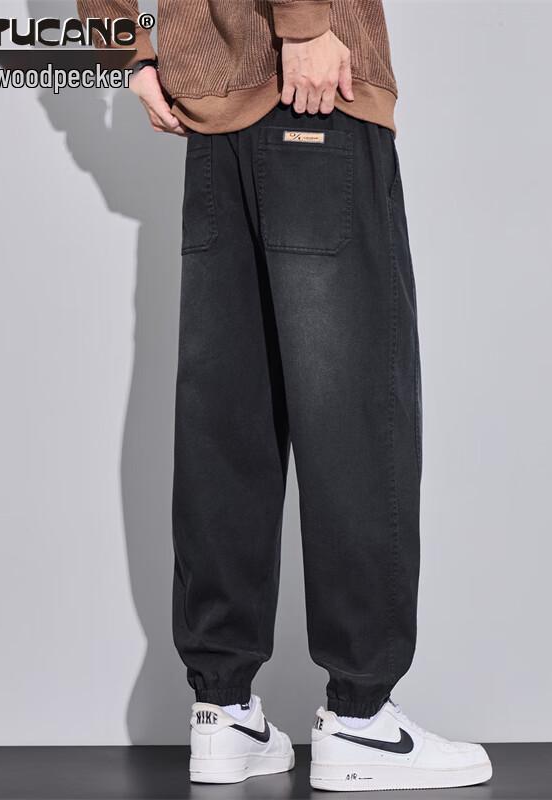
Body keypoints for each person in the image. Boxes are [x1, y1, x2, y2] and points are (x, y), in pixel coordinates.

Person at [78, 0, 492, 791]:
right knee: (354, 414)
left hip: (211, 110)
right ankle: (362, 720)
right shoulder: (305, 42)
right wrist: (304, 26)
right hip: (308, 86)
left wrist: (127, 51)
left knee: (228, 420)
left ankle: (223, 710)